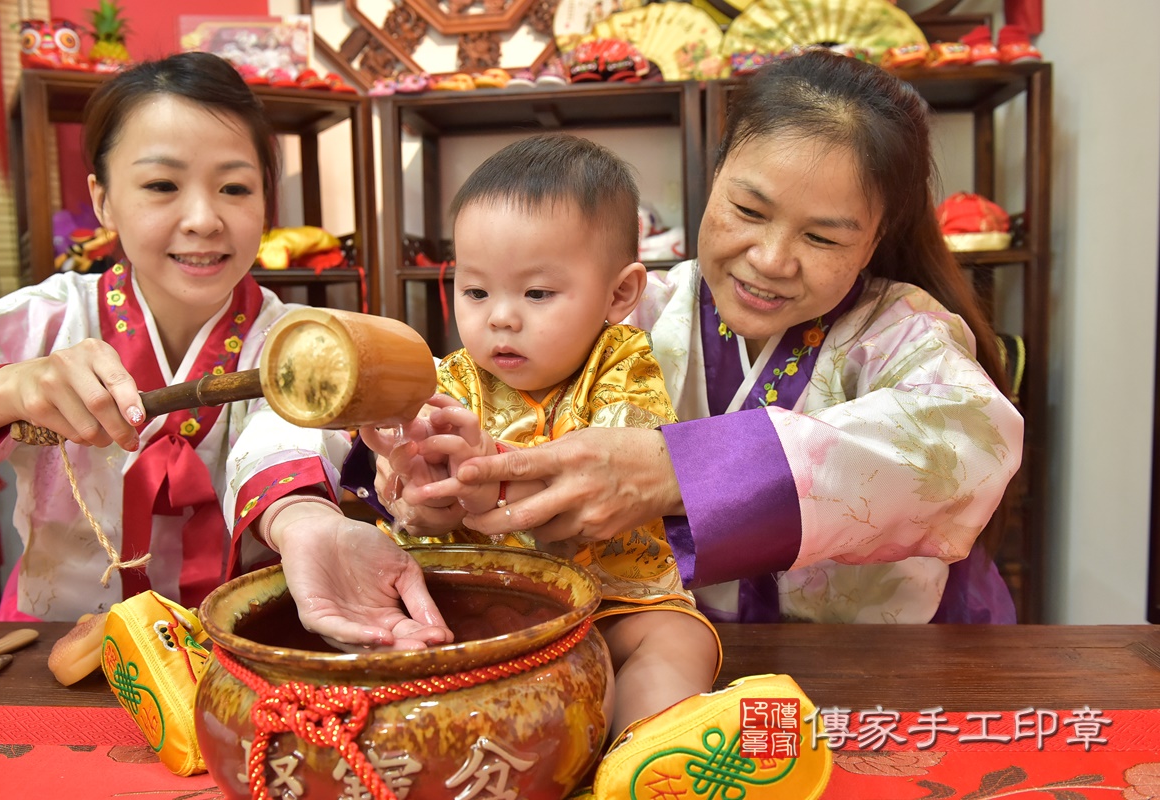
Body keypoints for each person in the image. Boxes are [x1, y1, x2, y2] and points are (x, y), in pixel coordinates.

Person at [380, 48, 1025, 627]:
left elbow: (968, 439)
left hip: (878, 665)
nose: (771, 259)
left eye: (823, 237)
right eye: (748, 211)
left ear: (876, 239)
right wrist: (438, 485)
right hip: (677, 654)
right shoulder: (631, 312)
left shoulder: (901, 332)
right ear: (712, 181)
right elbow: (486, 414)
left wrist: (676, 471)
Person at [0, 52, 448, 639]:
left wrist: (304, 517)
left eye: (234, 187)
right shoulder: (43, 323)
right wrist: (4, 391)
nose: (203, 218)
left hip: (240, 654)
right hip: (56, 648)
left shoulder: (307, 344)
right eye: (162, 184)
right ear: (103, 197)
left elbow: (284, 434)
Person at [358, 134, 720, 736]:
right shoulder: (444, 381)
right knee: (395, 623)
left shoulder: (622, 362)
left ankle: (643, 748)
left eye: (537, 293)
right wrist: (422, 496)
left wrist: (487, 472)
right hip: (476, 600)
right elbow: (420, 524)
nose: (500, 316)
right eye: (476, 291)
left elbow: (616, 465)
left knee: (679, 639)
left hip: (611, 598)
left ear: (620, 294)